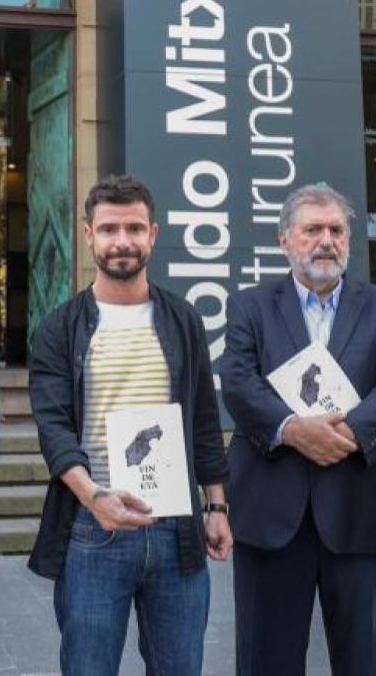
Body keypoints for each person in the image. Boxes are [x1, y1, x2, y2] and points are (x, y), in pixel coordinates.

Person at [27, 175, 231, 676]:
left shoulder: (183, 319)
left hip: (176, 530)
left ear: (153, 234)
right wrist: (94, 497)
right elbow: (54, 428)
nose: (123, 241)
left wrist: (218, 505)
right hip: (94, 530)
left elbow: (204, 418)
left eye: (134, 228)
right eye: (110, 228)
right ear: (88, 234)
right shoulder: (59, 327)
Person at [219, 183, 376, 676]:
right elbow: (239, 381)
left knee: (367, 660)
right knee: (266, 659)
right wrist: (291, 429)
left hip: (359, 508)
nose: (325, 240)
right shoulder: (250, 306)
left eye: (336, 230)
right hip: (270, 513)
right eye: (312, 229)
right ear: (284, 239)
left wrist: (346, 434)